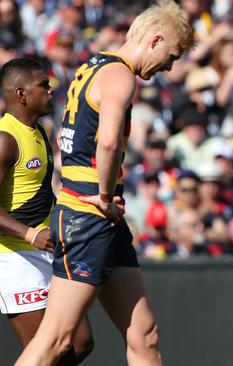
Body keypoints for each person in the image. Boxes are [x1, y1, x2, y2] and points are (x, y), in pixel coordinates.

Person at [15, 1, 193, 365]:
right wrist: (104, 195)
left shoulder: (97, 64)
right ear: (155, 39)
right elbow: (108, 141)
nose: (169, 67)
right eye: (171, 56)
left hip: (98, 217)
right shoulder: (121, 75)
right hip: (89, 212)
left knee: (145, 335)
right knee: (56, 340)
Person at [0, 58, 93, 364]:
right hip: (13, 258)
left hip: (45, 250)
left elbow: (39, 194)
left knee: (79, 343)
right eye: (43, 85)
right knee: (47, 355)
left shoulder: (38, 131)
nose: (51, 91)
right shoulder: (5, 139)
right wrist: (29, 233)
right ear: (21, 93)